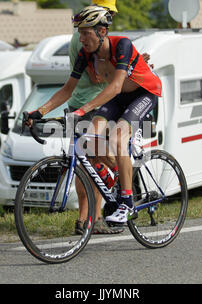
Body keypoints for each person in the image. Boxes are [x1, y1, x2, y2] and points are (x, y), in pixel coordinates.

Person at [27, 6, 162, 224]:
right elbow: (67, 89)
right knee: (89, 141)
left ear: (101, 32)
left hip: (143, 93)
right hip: (118, 97)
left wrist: (83, 109)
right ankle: (120, 176)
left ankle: (127, 202)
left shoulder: (122, 45)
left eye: (85, 33)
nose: (81, 38)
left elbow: (116, 86)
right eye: (79, 33)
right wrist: (39, 111)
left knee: (118, 137)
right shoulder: (86, 54)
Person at [68, 0, 122, 235]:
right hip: (95, 105)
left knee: (86, 164)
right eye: (109, 13)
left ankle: (84, 219)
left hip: (77, 104)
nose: (110, 19)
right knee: (98, 162)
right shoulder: (88, 39)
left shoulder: (79, 33)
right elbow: (99, 77)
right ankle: (96, 217)